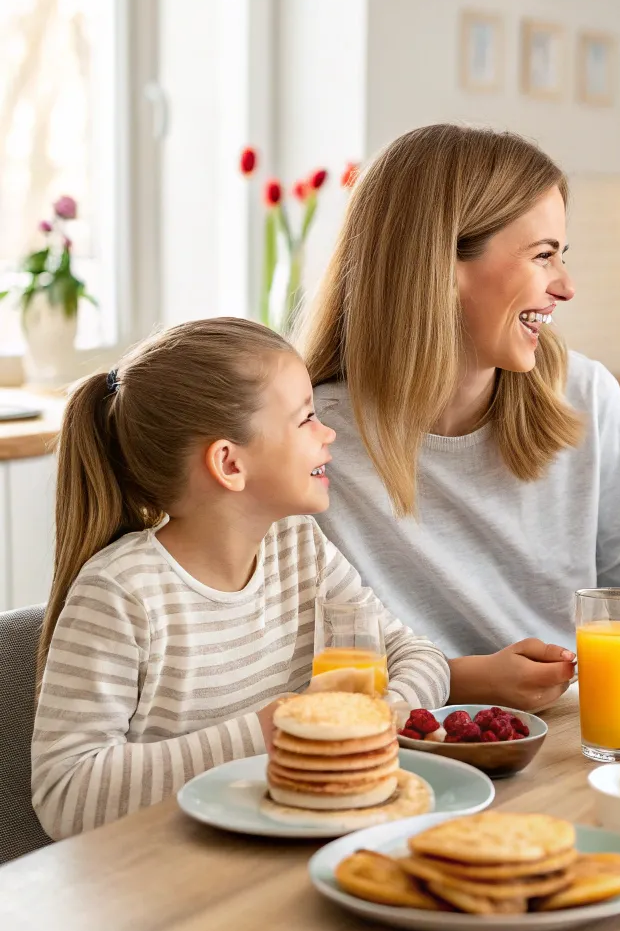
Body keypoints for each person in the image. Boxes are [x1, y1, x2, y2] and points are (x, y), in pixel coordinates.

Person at [302, 123, 620, 713]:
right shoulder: (311, 440)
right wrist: (460, 680)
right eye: (543, 256)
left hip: (576, 740)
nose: (566, 287)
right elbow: (289, 665)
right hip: (392, 747)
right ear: (441, 264)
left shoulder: (586, 397)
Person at [32, 318, 448, 840]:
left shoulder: (299, 548)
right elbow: (66, 795)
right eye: (306, 420)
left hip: (288, 848)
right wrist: (271, 730)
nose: (328, 433)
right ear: (229, 463)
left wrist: (373, 720)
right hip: (163, 888)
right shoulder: (121, 593)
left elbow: (419, 655)